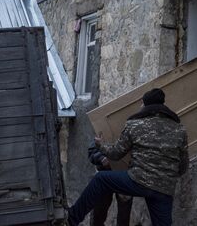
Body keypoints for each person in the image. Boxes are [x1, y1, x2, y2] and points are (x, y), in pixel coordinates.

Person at [68, 88, 189, 226]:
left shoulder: (135, 125)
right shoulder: (180, 130)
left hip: (138, 181)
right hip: (165, 188)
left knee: (100, 179)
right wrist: (164, 176)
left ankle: (71, 219)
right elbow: (183, 166)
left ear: (144, 104)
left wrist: (100, 145)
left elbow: (116, 154)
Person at [87, 143, 133, 226]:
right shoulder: (105, 131)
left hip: (124, 177)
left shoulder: (132, 132)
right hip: (105, 176)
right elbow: (92, 151)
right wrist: (102, 159)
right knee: (98, 213)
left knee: (124, 217)